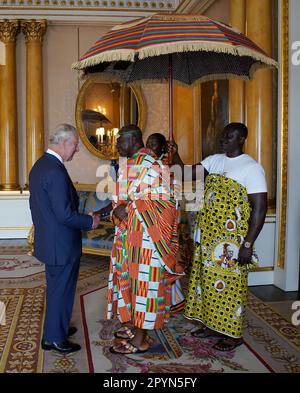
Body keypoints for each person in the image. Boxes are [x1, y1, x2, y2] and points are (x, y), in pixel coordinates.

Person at [169, 122, 267, 351]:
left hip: (232, 242)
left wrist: (248, 244)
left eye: (229, 136)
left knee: (230, 286)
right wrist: (176, 154)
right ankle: (211, 326)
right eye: (223, 135)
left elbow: (259, 209)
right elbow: (184, 173)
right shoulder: (214, 160)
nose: (223, 139)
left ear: (241, 139)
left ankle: (233, 335)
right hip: (207, 236)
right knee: (207, 284)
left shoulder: (251, 168)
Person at [105, 124, 184, 354]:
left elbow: (169, 203)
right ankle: (133, 326)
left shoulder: (150, 165)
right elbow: (120, 200)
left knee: (145, 289)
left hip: (149, 239)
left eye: (120, 141)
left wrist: (129, 207)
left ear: (132, 140)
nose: (117, 145)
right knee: (130, 284)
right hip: (131, 237)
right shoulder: (134, 164)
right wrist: (121, 207)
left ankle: (139, 340)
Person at [29, 124, 100, 354]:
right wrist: (90, 222)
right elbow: (65, 214)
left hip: (51, 241)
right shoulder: (55, 171)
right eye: (75, 145)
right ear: (63, 142)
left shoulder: (41, 165)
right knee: (62, 290)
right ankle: (56, 339)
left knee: (56, 288)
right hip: (61, 244)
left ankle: (54, 329)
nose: (77, 150)